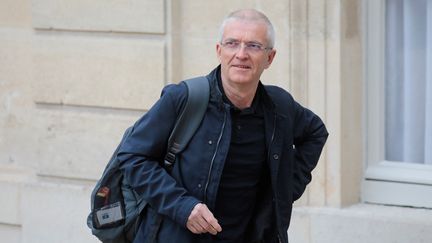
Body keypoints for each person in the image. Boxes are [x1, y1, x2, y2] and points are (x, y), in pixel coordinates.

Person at [118, 9, 328, 243]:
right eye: (232, 43)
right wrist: (183, 206)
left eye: (254, 46)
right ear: (219, 51)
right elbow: (131, 155)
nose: (241, 54)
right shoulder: (184, 98)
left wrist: (285, 190)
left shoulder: (280, 107)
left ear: (270, 58)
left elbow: (315, 132)